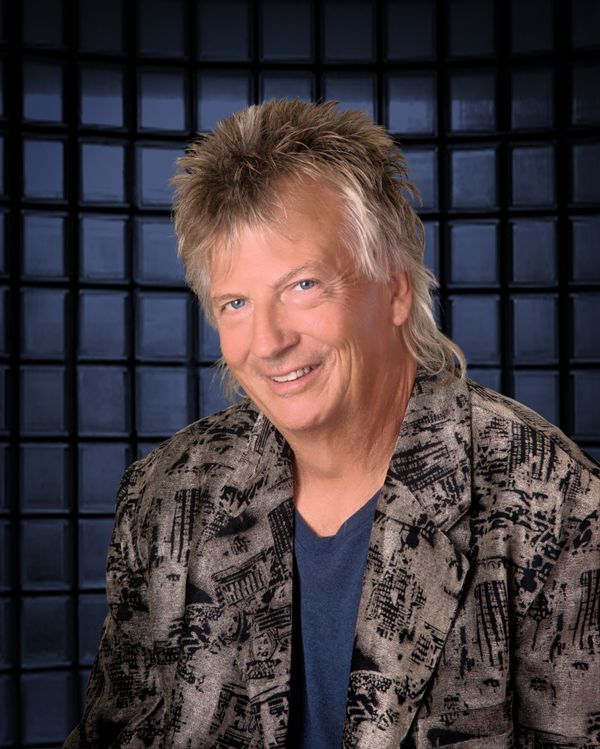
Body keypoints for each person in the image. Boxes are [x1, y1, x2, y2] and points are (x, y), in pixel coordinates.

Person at [63, 99, 600, 749]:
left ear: (396, 288)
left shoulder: (557, 504)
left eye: (303, 285)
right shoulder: (164, 496)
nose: (268, 342)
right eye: (236, 302)